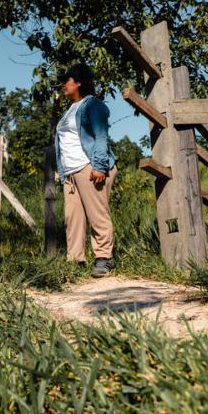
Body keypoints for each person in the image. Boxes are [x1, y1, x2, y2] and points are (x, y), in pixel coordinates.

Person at [55, 63, 117, 277]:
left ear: (79, 82)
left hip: (90, 167)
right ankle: (75, 261)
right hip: (71, 173)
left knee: (97, 214)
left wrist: (99, 166)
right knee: (73, 219)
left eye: (67, 80)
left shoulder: (93, 105)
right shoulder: (70, 109)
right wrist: (62, 170)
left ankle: (104, 258)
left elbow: (101, 136)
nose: (63, 84)